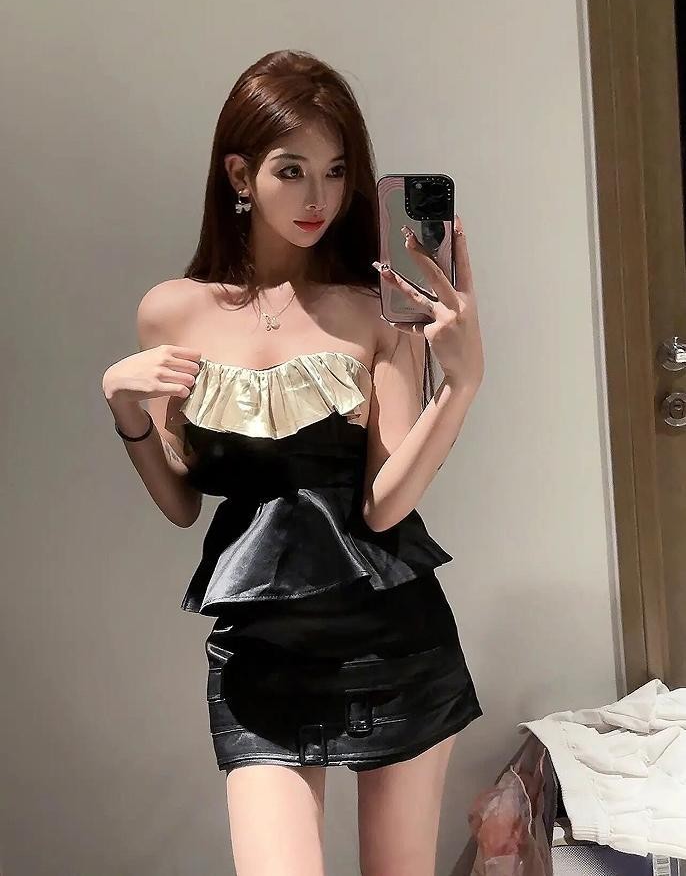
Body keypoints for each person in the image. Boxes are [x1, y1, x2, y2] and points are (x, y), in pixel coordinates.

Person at [101, 49, 485, 876]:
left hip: (395, 640)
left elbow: (384, 505)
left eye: (337, 171)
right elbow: (182, 503)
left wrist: (462, 383)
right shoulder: (171, 311)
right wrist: (124, 407)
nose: (319, 198)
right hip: (263, 652)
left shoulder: (375, 309)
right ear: (240, 174)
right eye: (292, 170)